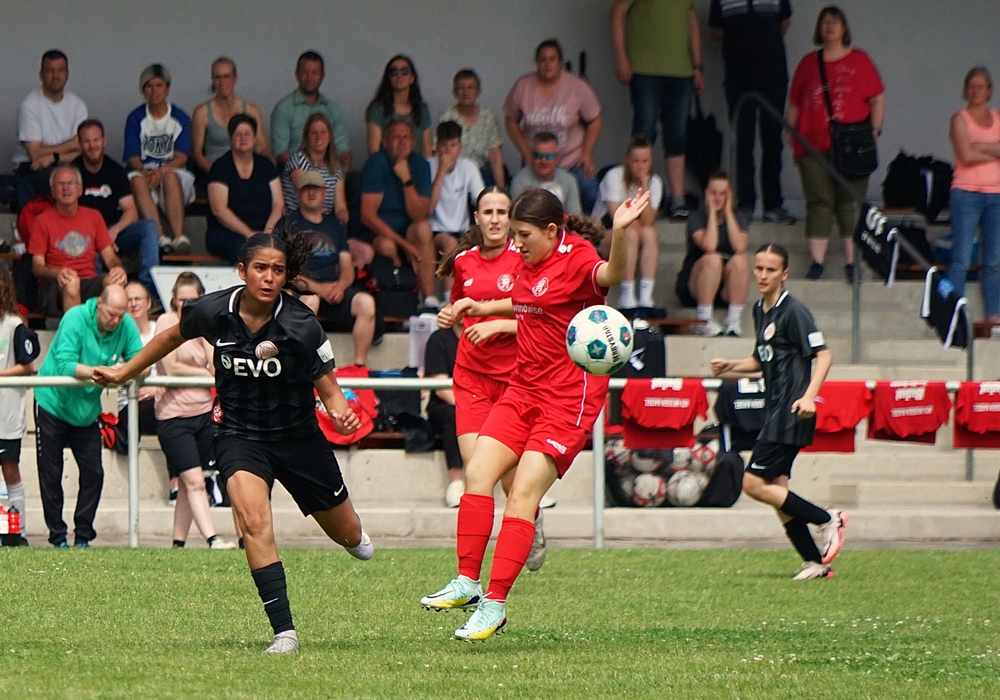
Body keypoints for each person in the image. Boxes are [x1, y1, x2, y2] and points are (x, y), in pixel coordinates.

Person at [94, 230, 373, 653]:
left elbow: (330, 390)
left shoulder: (301, 324)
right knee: (253, 522)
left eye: (277, 270)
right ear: (242, 271)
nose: (269, 277)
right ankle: (284, 633)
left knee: (349, 536)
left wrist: (340, 413)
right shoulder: (213, 310)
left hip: (298, 438)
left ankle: (353, 535)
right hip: (238, 434)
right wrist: (123, 372)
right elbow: (170, 337)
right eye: (260, 268)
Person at [420, 186, 651, 641]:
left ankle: (495, 605)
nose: (516, 243)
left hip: (567, 400)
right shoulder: (527, 260)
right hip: (523, 388)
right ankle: (467, 582)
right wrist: (482, 305)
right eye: (513, 234)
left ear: (550, 230)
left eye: (523, 235)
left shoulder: (578, 258)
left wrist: (621, 232)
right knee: (477, 473)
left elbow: (611, 273)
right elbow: (529, 299)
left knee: (522, 495)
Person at [710, 244, 845, 580]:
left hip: (792, 410)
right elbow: (761, 359)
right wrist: (731, 365)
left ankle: (828, 519)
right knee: (776, 488)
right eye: (758, 268)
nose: (763, 275)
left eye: (771, 270)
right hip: (774, 410)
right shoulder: (760, 309)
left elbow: (824, 355)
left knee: (753, 483)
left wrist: (809, 397)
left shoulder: (794, 311)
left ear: (784, 274)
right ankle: (816, 563)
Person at [433, 187, 550, 568]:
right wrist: (449, 314)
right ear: (477, 217)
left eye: (502, 212)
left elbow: (541, 315)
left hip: (515, 378)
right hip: (471, 376)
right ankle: (471, 568)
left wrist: (498, 325)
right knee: (477, 471)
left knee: (509, 480)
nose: (496, 219)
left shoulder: (525, 258)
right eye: (488, 212)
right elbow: (458, 304)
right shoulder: (464, 261)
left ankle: (530, 518)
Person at [37, 284, 143, 547]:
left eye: (120, 315)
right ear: (99, 303)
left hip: (86, 412)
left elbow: (141, 361)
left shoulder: (125, 324)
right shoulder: (74, 318)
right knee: (51, 474)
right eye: (111, 314)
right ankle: (58, 537)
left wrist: (129, 371)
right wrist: (106, 372)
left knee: (94, 473)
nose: (116, 321)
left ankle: (83, 536)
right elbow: (65, 364)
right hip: (52, 403)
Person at [787, 5, 885, 281]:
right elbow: (794, 104)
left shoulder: (859, 60)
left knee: (848, 203)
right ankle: (816, 263)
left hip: (852, 145)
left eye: (835, 21)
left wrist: (874, 132)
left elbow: (877, 97)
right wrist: (792, 136)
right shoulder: (808, 63)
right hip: (811, 144)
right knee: (819, 201)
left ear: (844, 28)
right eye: (825, 21)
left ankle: (852, 262)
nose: (829, 26)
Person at [154, 272, 237, 550]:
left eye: (193, 300)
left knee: (189, 485)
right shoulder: (166, 322)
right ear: (173, 301)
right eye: (182, 300)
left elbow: (216, 366)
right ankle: (213, 539)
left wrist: (204, 333)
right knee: (195, 482)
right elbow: (171, 368)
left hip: (202, 413)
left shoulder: (206, 325)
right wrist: (203, 373)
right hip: (173, 416)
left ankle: (178, 543)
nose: (187, 305)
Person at [610, 0, 704, 218]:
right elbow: (617, 14)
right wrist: (621, 59)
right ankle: (635, 197)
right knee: (644, 132)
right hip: (644, 70)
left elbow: (692, 21)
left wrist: (697, 66)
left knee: (677, 135)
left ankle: (678, 199)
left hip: (682, 72)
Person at [709, 0, 795, 223]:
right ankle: (744, 204)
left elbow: (784, 22)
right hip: (738, 80)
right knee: (742, 144)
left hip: (773, 78)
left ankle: (773, 205)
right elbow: (716, 31)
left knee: (772, 143)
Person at [286, 170, 378, 366]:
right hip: (303, 292)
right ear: (298, 193)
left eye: (316, 189)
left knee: (366, 303)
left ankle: (359, 366)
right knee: (311, 300)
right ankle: (303, 366)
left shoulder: (334, 225)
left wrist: (340, 287)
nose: (311, 193)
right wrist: (318, 288)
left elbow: (347, 266)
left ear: (324, 193)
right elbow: (286, 271)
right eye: (306, 189)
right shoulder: (289, 224)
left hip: (333, 291)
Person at [503, 39, 602, 213]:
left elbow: (595, 119)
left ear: (560, 62)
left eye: (552, 59)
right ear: (536, 62)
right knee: (527, 205)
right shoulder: (523, 86)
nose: (547, 64)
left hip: (571, 159)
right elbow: (511, 120)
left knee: (592, 195)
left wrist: (587, 152)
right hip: (537, 159)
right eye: (543, 59)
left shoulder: (577, 86)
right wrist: (526, 152)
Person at [73, 119, 160, 299]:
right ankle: (96, 297)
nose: (92, 146)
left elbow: (131, 210)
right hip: (85, 234)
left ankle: (148, 291)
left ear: (104, 141)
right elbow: (70, 213)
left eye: (96, 140)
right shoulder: (73, 172)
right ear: (79, 144)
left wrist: (114, 231)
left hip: (113, 231)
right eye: (87, 141)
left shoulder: (115, 171)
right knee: (93, 250)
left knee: (149, 227)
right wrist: (100, 237)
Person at [29, 164, 127, 315]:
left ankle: (112, 329)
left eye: (70, 183)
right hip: (55, 285)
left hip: (88, 281)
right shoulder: (42, 221)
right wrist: (58, 273)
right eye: (60, 184)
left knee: (115, 282)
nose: (66, 188)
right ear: (53, 192)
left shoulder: (94, 217)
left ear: (80, 190)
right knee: (71, 282)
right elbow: (37, 267)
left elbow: (110, 258)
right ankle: (75, 329)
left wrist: (117, 269)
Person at [358, 120, 437, 307]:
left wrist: (406, 179)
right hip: (375, 233)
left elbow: (419, 215)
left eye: (406, 137)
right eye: (396, 137)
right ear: (385, 142)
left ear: (414, 142)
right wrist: (405, 245)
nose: (402, 142)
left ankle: (429, 300)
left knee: (423, 229)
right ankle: (400, 300)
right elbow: (367, 216)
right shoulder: (376, 162)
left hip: (406, 231)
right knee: (387, 245)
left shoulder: (421, 165)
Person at [124, 63, 197, 255]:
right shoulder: (135, 118)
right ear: (143, 90)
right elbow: (132, 157)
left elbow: (182, 156)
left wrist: (162, 171)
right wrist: (146, 172)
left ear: (167, 88)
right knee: (137, 181)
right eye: (149, 86)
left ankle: (179, 237)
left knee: (170, 177)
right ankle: (160, 237)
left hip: (172, 174)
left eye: (159, 85)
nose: (154, 91)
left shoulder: (180, 117)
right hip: (146, 175)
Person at [946, 66, 1000, 325]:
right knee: (961, 258)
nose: (975, 91)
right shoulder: (959, 118)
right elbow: (965, 156)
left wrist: (980, 145)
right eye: (971, 86)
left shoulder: (997, 118)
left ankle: (994, 315)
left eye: (980, 86)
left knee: (993, 261)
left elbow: (972, 150)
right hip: (966, 193)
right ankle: (953, 314)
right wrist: (995, 150)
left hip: (996, 195)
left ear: (989, 91)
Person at [675, 170, 750, 337]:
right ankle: (704, 320)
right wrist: (712, 215)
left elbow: (740, 247)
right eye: (713, 193)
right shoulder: (697, 217)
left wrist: (728, 212)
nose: (717, 198)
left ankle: (733, 320)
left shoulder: (738, 217)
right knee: (713, 258)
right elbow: (710, 246)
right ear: (707, 194)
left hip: (723, 288)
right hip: (696, 284)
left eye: (722, 193)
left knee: (740, 260)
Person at [594, 135, 664, 309]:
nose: (640, 166)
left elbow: (648, 221)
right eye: (635, 161)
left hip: (637, 239)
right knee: (631, 233)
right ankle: (626, 296)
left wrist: (645, 187)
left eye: (645, 161)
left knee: (650, 233)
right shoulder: (613, 176)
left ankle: (646, 298)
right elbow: (617, 218)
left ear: (651, 162)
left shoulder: (655, 182)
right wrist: (638, 224)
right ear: (627, 160)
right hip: (605, 235)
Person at [12, 50, 87, 207]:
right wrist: (72, 144)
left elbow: (83, 150)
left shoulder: (78, 106)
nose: (55, 76)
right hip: (29, 168)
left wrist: (54, 157)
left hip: (65, 164)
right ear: (41, 75)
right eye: (50, 71)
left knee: (95, 174)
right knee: (62, 182)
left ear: (67, 74)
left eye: (60, 70)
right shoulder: (29, 105)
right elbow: (35, 154)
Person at [206, 114, 284, 265]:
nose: (243, 138)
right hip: (228, 232)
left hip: (265, 229)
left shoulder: (266, 166)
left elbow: (279, 203)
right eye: (238, 134)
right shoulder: (220, 167)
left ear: (254, 138)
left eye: (247, 133)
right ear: (230, 139)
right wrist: (249, 234)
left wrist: (267, 232)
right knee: (244, 249)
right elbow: (219, 210)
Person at [428, 121, 485, 300]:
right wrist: (441, 172)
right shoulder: (427, 165)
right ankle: (449, 298)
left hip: (462, 230)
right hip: (435, 230)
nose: (448, 150)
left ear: (460, 147)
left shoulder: (468, 167)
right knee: (449, 244)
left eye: (452, 145)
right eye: (443, 145)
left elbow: (481, 200)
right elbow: (428, 208)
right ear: (437, 147)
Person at [190, 57, 273, 177]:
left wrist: (269, 164)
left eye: (226, 76)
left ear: (235, 78)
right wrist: (217, 172)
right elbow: (197, 154)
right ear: (212, 80)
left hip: (247, 172)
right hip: (215, 172)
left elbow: (261, 148)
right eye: (217, 77)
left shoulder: (251, 110)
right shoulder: (202, 112)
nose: (222, 82)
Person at [271, 51, 351, 172]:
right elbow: (281, 154)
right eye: (305, 72)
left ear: (322, 76)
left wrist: (342, 172)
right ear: (296, 74)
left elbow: (343, 151)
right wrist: (307, 173)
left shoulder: (333, 109)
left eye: (314, 73)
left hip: (329, 174)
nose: (309, 78)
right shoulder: (283, 108)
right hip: (295, 175)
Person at [0, 266, 34, 545]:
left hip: (7, 414)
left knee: (10, 468)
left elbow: (27, 367)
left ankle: (17, 530)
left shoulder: (14, 325)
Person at [439, 69, 506, 187]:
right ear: (454, 92)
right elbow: (439, 152)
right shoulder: (447, 117)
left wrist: (501, 190)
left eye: (470, 87)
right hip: (455, 174)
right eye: (461, 88)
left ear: (478, 92)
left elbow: (495, 155)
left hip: (481, 173)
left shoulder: (488, 117)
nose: (466, 92)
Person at [281, 113, 348, 220]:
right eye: (314, 133)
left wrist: (343, 222)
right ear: (307, 137)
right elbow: (306, 197)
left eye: (323, 132)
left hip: (324, 223)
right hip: (297, 222)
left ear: (330, 136)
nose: (319, 137)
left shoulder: (336, 169)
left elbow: (340, 207)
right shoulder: (298, 159)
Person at [365, 55, 433, 158]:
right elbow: (374, 151)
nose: (399, 75)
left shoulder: (422, 110)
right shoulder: (377, 109)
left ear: (412, 78)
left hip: (416, 166)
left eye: (404, 72)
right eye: (393, 72)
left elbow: (427, 151)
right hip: (385, 166)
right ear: (389, 78)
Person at [509, 132, 582, 215]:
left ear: (557, 158)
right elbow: (517, 217)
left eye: (549, 156)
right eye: (538, 155)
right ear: (531, 156)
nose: (543, 161)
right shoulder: (519, 182)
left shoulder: (569, 180)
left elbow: (575, 216)